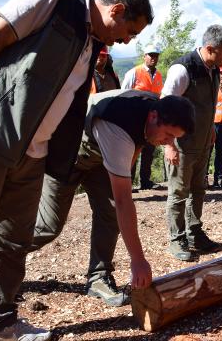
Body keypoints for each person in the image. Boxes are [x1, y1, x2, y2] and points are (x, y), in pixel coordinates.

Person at [0, 0, 152, 341]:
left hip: (33, 154)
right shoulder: (52, 1)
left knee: (13, 242)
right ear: (118, 11)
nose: (128, 41)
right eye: (130, 31)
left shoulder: (91, 42)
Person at [28, 91, 192, 307]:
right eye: (168, 135)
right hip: (70, 151)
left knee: (110, 212)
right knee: (49, 225)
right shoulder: (118, 127)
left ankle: (98, 277)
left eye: (174, 138)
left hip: (100, 154)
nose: (168, 142)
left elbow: (139, 143)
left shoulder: (154, 111)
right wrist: (138, 260)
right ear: (153, 117)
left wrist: (169, 142)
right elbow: (124, 199)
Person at [161, 24, 222, 261]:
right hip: (181, 146)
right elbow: (165, 105)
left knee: (198, 190)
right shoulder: (184, 69)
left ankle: (194, 233)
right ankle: (177, 239)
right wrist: (168, 144)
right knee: (178, 193)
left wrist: (210, 133)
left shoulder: (213, 68)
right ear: (210, 48)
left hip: (203, 142)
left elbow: (207, 104)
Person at [122, 44, 164, 190]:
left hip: (152, 119)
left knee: (149, 150)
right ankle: (128, 182)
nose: (153, 58)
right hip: (135, 118)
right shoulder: (134, 72)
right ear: (144, 56)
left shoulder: (158, 76)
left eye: (156, 55)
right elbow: (123, 95)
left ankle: (145, 181)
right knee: (132, 150)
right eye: (151, 55)